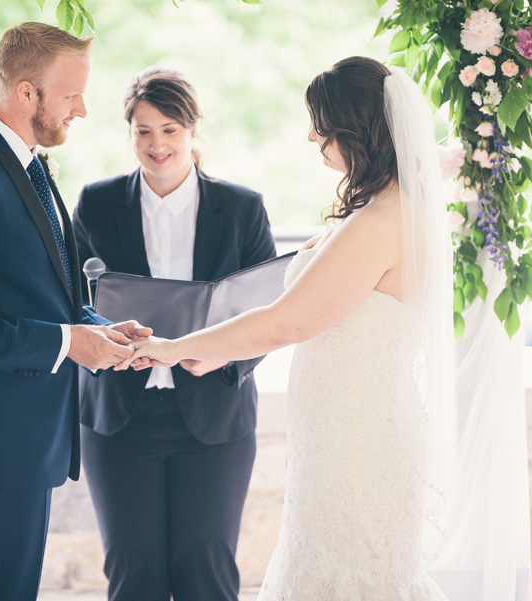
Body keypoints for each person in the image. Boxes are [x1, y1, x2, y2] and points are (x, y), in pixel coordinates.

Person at [122, 57, 455, 599]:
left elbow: (288, 321)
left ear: (354, 128)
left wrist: (171, 346)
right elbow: (326, 315)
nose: (311, 137)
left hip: (357, 438)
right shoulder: (384, 208)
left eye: (320, 125)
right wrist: (221, 349)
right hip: (344, 429)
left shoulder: (381, 220)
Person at [0, 23, 151, 601]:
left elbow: (36, 288)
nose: (84, 110)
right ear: (26, 93)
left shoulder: (24, 160)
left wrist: (95, 328)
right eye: (71, 96)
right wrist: (69, 344)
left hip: (17, 438)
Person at [71, 66, 276, 601]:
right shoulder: (95, 202)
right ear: (129, 134)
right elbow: (69, 299)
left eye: (169, 130)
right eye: (143, 131)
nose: (156, 144)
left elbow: (269, 310)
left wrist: (224, 358)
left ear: (192, 130)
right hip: (118, 418)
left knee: (205, 574)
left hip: (214, 416)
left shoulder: (241, 208)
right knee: (131, 574)